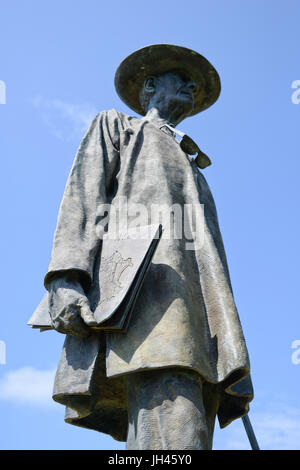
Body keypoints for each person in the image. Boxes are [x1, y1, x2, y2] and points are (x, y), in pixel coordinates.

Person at [30, 44, 253, 450]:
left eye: (195, 83)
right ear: (150, 85)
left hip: (199, 321)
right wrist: (66, 279)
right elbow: (82, 199)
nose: (189, 86)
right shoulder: (119, 128)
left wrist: (226, 341)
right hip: (142, 307)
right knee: (174, 426)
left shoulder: (192, 163)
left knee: (183, 432)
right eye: (180, 77)